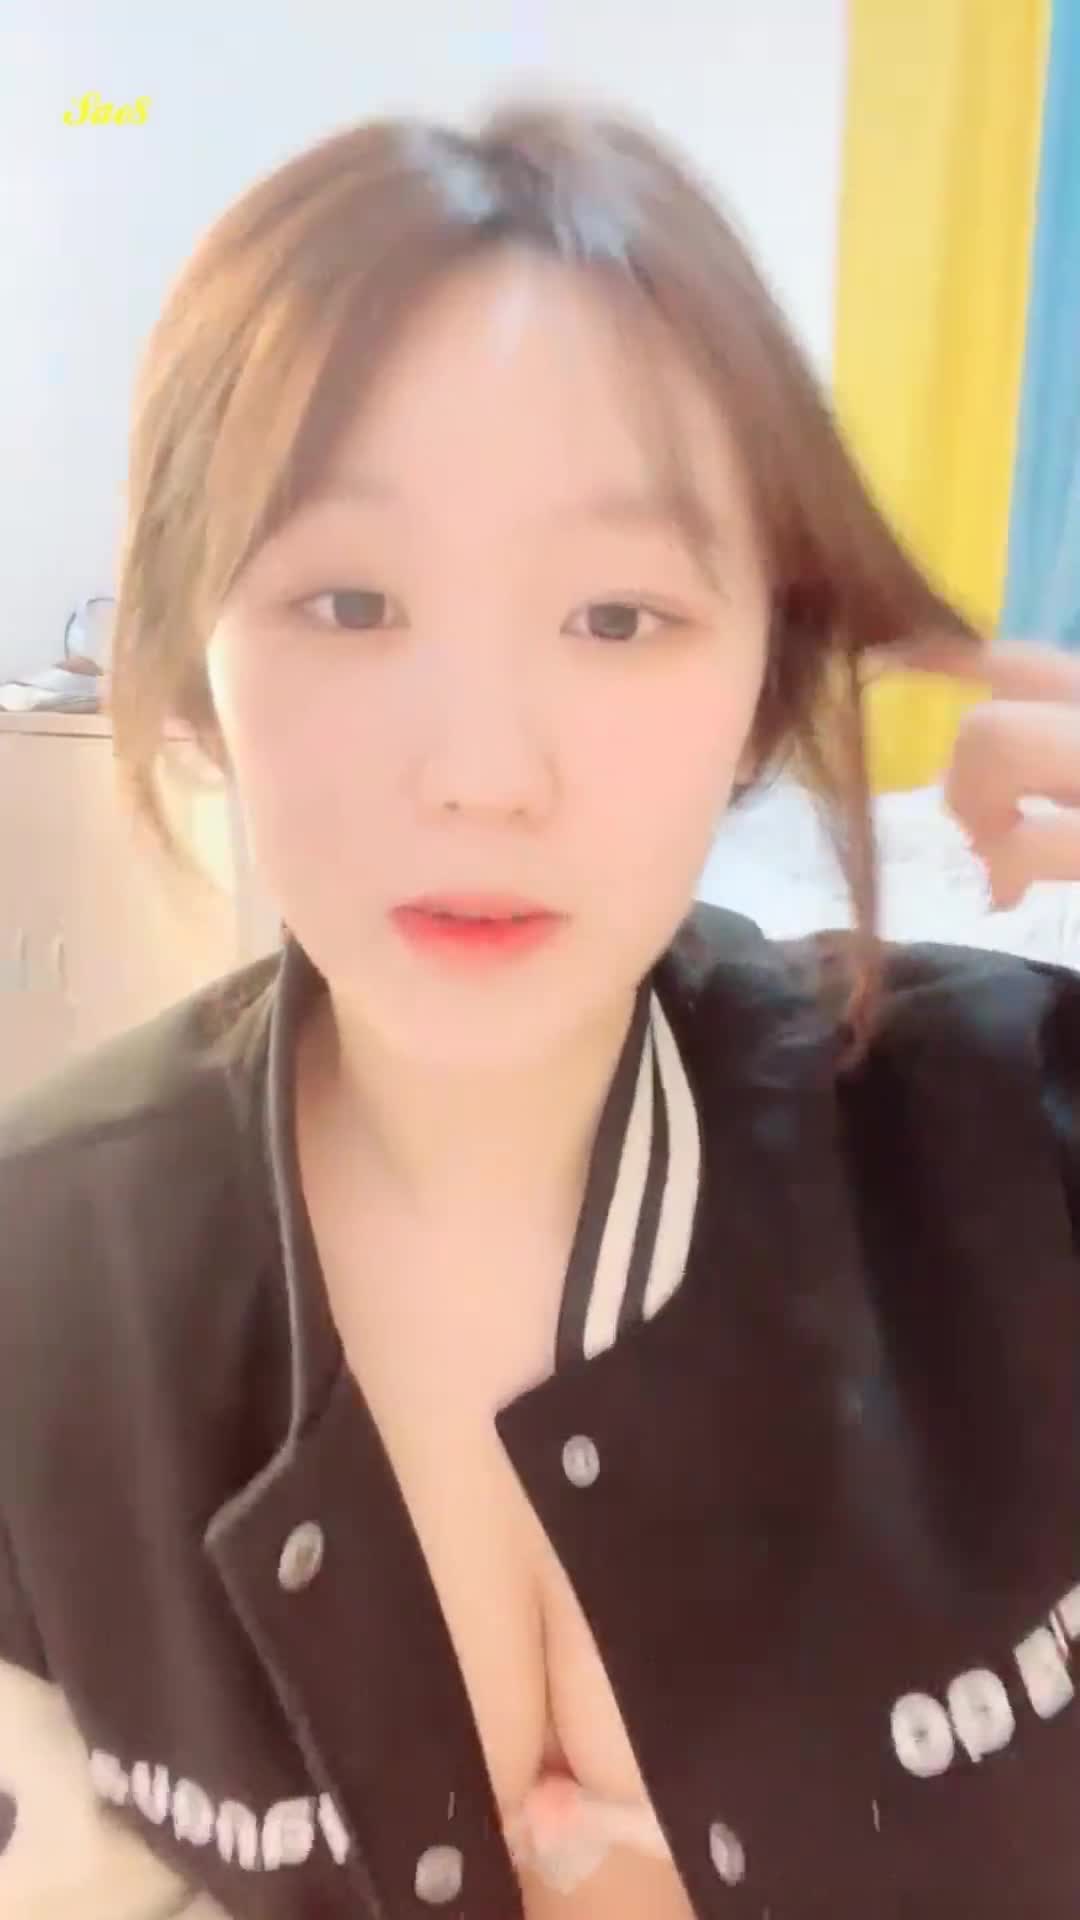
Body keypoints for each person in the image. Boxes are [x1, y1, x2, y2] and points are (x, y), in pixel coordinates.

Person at [2, 100, 1080, 1920]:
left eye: (617, 618)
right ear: (194, 656)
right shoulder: (41, 1280)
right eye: (351, 602)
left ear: (764, 669)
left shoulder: (1018, 1146)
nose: (484, 775)